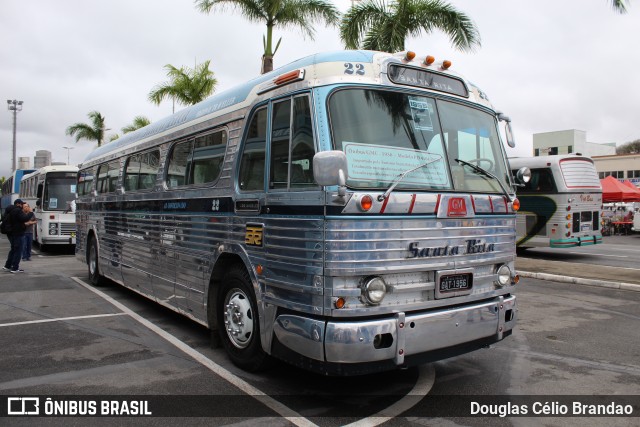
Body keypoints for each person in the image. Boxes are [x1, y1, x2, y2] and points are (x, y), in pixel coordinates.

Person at [3, 199, 37, 273]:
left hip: (11, 232)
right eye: (21, 204)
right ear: (18, 204)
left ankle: (7, 265)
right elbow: (24, 219)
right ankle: (15, 268)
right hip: (18, 233)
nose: (22, 206)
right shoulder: (17, 211)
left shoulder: (9, 210)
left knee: (13, 249)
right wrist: (31, 212)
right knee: (18, 250)